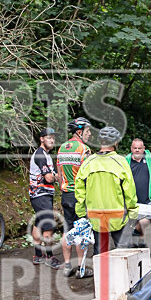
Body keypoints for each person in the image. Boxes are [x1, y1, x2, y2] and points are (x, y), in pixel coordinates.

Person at [75, 126, 138, 260]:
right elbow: (130, 192)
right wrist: (133, 212)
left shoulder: (88, 163)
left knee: (100, 251)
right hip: (118, 216)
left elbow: (80, 191)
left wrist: (81, 213)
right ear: (116, 143)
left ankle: (101, 279)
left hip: (95, 216)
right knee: (123, 252)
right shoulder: (121, 162)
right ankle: (123, 279)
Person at [56, 117, 92, 277]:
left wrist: (64, 187)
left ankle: (67, 265)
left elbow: (59, 174)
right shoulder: (84, 149)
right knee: (81, 230)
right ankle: (81, 268)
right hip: (80, 195)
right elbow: (88, 175)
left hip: (65, 194)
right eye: (88, 131)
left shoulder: (62, 148)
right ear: (79, 132)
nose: (90, 134)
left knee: (67, 229)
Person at [29, 128, 61, 269]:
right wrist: (56, 177)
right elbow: (49, 177)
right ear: (42, 139)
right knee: (49, 225)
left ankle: (38, 256)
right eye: (49, 138)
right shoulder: (40, 155)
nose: (52, 140)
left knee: (39, 224)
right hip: (40, 195)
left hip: (39, 195)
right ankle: (49, 257)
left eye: (53, 138)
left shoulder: (46, 155)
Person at [125, 138, 151, 241]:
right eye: (135, 148)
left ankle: (136, 232)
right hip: (133, 198)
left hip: (149, 197)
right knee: (137, 220)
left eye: (139, 148)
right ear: (131, 149)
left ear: (144, 149)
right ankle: (140, 242)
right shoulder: (126, 160)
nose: (137, 150)